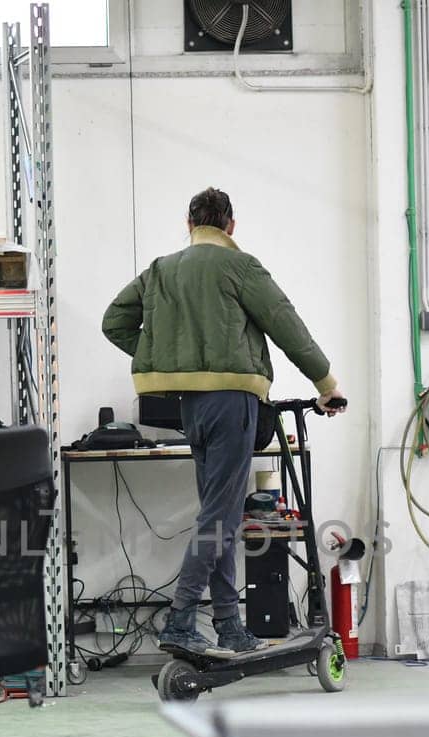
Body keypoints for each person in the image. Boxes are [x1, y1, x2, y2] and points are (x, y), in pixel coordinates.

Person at [101, 187, 345, 658]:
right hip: (233, 403)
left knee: (223, 517)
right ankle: (181, 618)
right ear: (231, 226)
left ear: (188, 224)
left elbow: (115, 321)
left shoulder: (160, 270)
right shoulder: (240, 266)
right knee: (220, 518)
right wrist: (327, 383)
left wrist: (163, 357)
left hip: (189, 407)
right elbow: (285, 324)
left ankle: (230, 625)